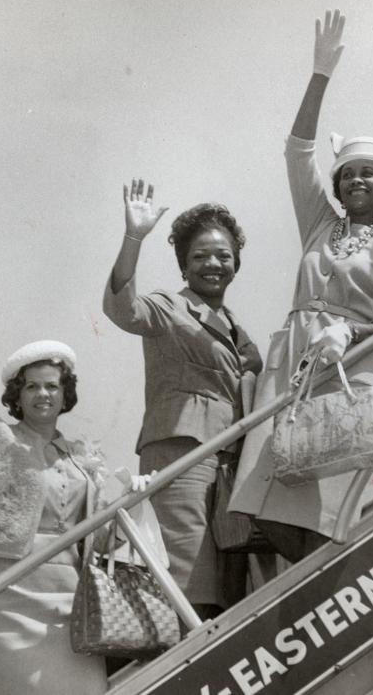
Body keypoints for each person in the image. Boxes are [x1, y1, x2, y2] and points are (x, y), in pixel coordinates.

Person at [228, 10, 373, 561]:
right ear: (338, 185)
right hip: (292, 358)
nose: (358, 179)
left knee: (322, 503)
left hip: (349, 367)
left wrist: (349, 335)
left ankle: (324, 588)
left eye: (370, 173)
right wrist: (321, 74)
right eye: (349, 172)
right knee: (265, 491)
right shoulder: (319, 223)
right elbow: (296, 152)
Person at [0, 310, 148, 695]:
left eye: (52, 386)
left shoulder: (82, 458)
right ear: (16, 395)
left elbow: (100, 541)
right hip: (6, 599)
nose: (43, 395)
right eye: (32, 387)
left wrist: (133, 501)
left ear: (65, 393)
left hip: (74, 605)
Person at [103, 188, 262, 620]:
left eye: (223, 256)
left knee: (225, 578)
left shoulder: (235, 326)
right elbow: (124, 309)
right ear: (184, 265)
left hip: (228, 461)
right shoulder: (170, 307)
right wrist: (134, 238)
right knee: (187, 578)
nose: (213, 264)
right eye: (201, 256)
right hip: (182, 453)